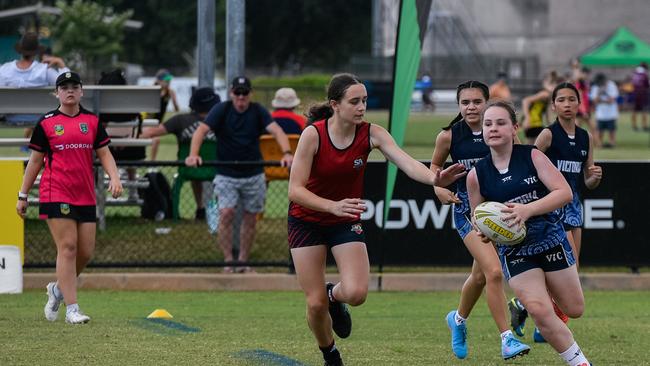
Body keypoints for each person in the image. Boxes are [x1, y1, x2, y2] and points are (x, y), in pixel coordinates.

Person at [287, 73, 466, 366]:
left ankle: (335, 296)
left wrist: (436, 178)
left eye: (364, 101)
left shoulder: (372, 132)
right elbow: (295, 190)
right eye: (354, 101)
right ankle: (330, 354)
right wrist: (332, 206)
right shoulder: (313, 134)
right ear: (335, 104)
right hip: (306, 220)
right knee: (314, 303)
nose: (361, 107)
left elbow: (407, 163)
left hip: (344, 220)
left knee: (356, 293)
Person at [466, 100, 591, 366]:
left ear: (514, 128)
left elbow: (564, 193)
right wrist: (486, 231)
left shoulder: (532, 156)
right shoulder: (476, 176)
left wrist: (527, 210)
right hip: (515, 252)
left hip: (551, 240)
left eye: (501, 123)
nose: (493, 128)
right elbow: (477, 217)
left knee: (574, 309)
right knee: (539, 310)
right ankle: (580, 363)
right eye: (488, 124)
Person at [431, 81, 530, 360]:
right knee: (494, 273)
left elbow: (521, 163)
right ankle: (507, 339)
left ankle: (458, 320)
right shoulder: (449, 136)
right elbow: (435, 170)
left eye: (477, 102)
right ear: (458, 105)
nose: (471, 107)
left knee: (478, 276)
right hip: (468, 212)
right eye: (465, 103)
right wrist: (439, 188)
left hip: (497, 210)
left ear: (487, 102)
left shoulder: (500, 130)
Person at [15, 71, 123, 324]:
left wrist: (115, 178)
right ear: (57, 93)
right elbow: (35, 162)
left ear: (82, 91)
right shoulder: (47, 123)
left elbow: (105, 154)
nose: (70, 90)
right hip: (56, 191)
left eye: (75, 86)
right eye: (64, 87)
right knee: (68, 247)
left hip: (84, 193)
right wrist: (22, 195)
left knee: (85, 252)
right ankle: (72, 309)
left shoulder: (92, 121)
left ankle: (58, 290)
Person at [507, 82, 603, 342]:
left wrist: (594, 177)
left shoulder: (586, 137)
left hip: (574, 208)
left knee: (572, 269)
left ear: (579, 103)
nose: (568, 104)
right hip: (553, 210)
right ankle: (544, 324)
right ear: (553, 106)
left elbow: (587, 179)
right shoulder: (548, 135)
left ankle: (524, 308)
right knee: (561, 268)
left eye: (572, 99)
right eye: (562, 100)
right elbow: (531, 166)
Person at [185, 76, 294, 273]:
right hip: (226, 173)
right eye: (237, 93)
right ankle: (228, 260)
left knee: (251, 217)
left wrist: (286, 153)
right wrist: (193, 155)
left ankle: (243, 260)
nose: (241, 97)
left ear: (250, 94)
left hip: (253, 173)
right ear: (231, 93)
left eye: (245, 93)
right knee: (226, 213)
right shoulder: (222, 109)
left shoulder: (258, 110)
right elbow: (201, 131)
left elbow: (277, 131)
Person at [141, 87, 221, 219]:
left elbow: (151, 132)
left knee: (196, 173)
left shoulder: (180, 120)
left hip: (188, 169)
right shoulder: (220, 121)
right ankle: (213, 213)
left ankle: (200, 208)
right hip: (216, 170)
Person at [0, 32, 69, 147]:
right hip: (40, 118)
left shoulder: (4, 70)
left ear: (20, 50)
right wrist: (60, 63)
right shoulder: (44, 70)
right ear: (36, 51)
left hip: (11, 118)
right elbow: (68, 86)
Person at [521, 71, 561, 144]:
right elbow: (525, 101)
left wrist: (552, 125)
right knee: (536, 146)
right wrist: (527, 118)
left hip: (537, 123)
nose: (553, 86)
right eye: (550, 83)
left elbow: (548, 115)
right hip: (533, 123)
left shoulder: (549, 96)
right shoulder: (544, 94)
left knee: (532, 146)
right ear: (544, 83)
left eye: (554, 84)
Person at [149, 69, 180, 160]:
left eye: (169, 80)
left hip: (158, 122)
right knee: (156, 140)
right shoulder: (152, 91)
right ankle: (151, 163)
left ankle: (152, 163)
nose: (168, 82)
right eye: (166, 80)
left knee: (157, 140)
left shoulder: (170, 92)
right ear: (158, 81)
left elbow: (177, 110)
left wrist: (174, 101)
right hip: (148, 122)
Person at [590, 73, 619, 148]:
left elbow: (612, 100)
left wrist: (605, 92)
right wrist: (599, 93)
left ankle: (612, 144)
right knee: (599, 130)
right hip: (600, 114)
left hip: (611, 113)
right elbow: (595, 101)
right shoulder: (595, 87)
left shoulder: (611, 85)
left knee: (611, 130)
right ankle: (600, 144)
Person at [630, 62, 649, 131]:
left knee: (634, 110)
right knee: (644, 110)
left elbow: (632, 83)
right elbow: (647, 85)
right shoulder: (644, 74)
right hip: (642, 94)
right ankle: (644, 126)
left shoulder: (634, 74)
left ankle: (634, 126)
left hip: (635, 94)